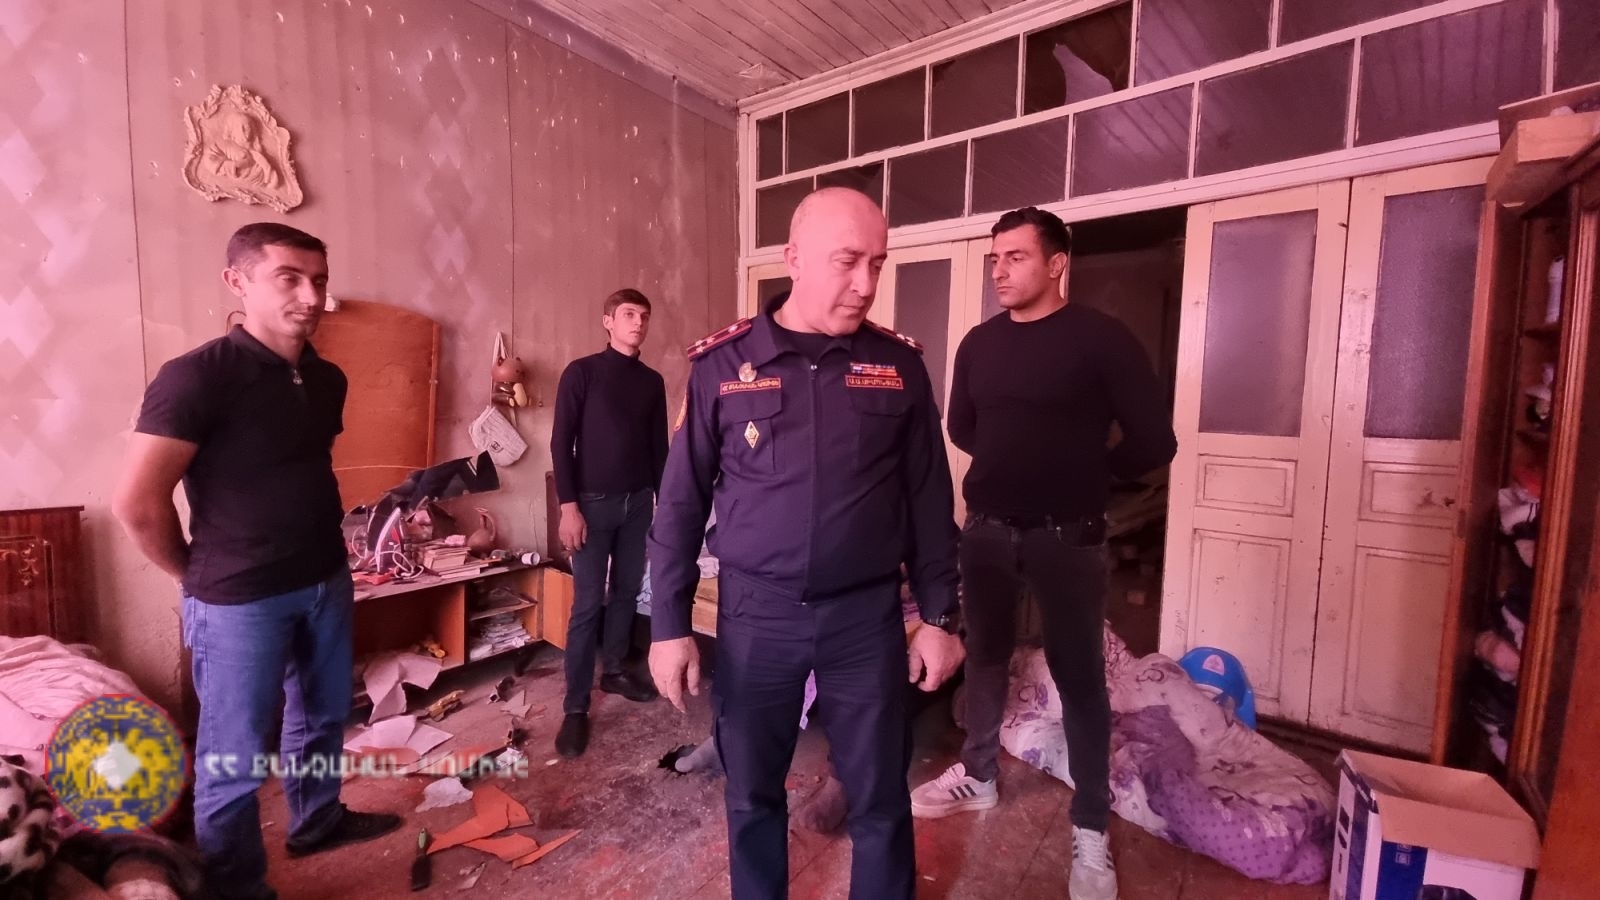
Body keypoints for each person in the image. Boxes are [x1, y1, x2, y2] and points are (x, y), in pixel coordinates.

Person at [647, 187, 965, 900]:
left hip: (865, 621)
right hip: (756, 617)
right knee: (751, 793)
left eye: (877, 263)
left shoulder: (898, 366)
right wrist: (668, 625)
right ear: (792, 259)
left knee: (880, 797)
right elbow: (680, 503)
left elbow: (928, 500)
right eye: (848, 262)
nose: (866, 284)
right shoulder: (723, 366)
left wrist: (940, 615)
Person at [112, 223, 401, 900]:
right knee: (234, 758)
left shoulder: (326, 378)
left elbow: (299, 467)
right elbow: (137, 504)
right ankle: (239, 888)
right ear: (237, 281)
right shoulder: (196, 377)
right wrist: (194, 577)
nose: (312, 296)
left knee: (322, 716)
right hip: (238, 599)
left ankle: (317, 822)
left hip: (325, 579)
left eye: (319, 280)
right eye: (289, 279)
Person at [909, 207, 1177, 900]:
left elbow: (1155, 441)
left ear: (1057, 264)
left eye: (1016, 257)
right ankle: (979, 775)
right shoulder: (979, 343)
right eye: (995, 258)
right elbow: (964, 427)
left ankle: (1090, 825)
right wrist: (1019, 459)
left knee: (1079, 675)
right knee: (985, 656)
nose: (999, 270)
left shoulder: (1102, 340)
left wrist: (1087, 472)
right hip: (988, 531)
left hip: (1069, 536)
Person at [550, 288, 667, 758]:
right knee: (586, 606)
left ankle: (614, 671)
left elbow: (659, 449)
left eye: (644, 316)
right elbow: (561, 442)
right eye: (628, 314)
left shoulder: (652, 381)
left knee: (626, 593)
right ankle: (575, 707)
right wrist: (568, 507)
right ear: (608, 321)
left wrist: (666, 507)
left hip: (638, 504)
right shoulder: (582, 373)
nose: (638, 323)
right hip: (592, 506)